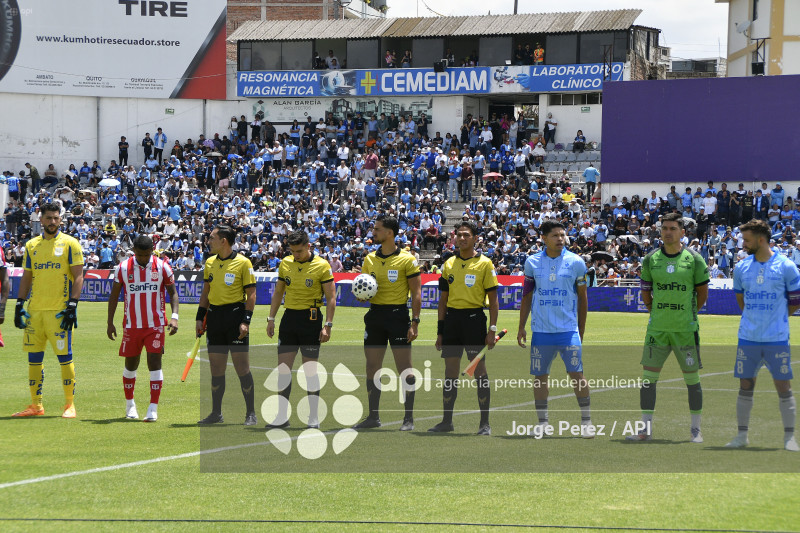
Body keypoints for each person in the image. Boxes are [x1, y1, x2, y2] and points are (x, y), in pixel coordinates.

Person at [627, 212, 709, 442]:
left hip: (685, 329)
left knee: (692, 380)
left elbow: (702, 293)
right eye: (664, 228)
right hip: (658, 330)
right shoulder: (650, 259)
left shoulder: (694, 259)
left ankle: (695, 430)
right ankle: (645, 430)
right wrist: (655, 310)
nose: (668, 232)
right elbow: (645, 290)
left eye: (673, 228)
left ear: (682, 232)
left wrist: (689, 313)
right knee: (647, 379)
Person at [726, 219, 799, 451]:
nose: (743, 244)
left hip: (776, 338)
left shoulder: (786, 266)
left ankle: (789, 438)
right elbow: (741, 301)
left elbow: (796, 301)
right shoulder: (742, 267)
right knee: (745, 385)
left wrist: (777, 319)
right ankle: (741, 436)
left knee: (783, 386)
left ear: (760, 239)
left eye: (746, 240)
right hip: (748, 338)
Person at [517, 220, 594, 437]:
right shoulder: (532, 263)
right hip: (541, 331)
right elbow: (527, 296)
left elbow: (583, 298)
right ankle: (543, 423)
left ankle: (586, 422)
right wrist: (521, 326)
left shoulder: (577, 262)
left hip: (568, 331)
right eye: (555, 236)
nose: (560, 239)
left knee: (577, 374)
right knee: (540, 376)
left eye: (563, 235)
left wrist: (581, 329)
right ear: (543, 238)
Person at [12, 203, 84, 419]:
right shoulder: (31, 245)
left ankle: (69, 405)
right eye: (49, 218)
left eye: (56, 218)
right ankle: (36, 405)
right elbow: (27, 276)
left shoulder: (71, 244)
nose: (53, 222)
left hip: (59, 312)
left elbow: (79, 276)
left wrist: (72, 304)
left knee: (65, 358)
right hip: (35, 312)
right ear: (40, 219)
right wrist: (19, 304)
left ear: (60, 220)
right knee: (33, 359)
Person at [354, 214, 422, 431]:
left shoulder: (407, 259)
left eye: (377, 229)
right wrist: (361, 295)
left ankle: (408, 418)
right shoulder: (369, 259)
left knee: (405, 368)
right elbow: (364, 288)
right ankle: (373, 417)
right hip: (375, 316)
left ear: (389, 233)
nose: (373, 232)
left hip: (398, 316)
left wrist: (415, 322)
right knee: (372, 367)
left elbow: (416, 292)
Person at [430, 221, 499, 435]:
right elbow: (443, 300)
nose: (462, 238)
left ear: (475, 238)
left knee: (479, 372)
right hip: (452, 322)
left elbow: (494, 300)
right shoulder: (448, 264)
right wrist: (440, 332)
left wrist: (492, 329)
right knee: (450, 371)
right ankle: (446, 422)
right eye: (459, 235)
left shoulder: (485, 264)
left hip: (474, 321)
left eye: (466, 235)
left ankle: (484, 424)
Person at [265, 230, 336, 429]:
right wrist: (271, 318)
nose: (296, 255)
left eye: (300, 251)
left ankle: (313, 417)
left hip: (311, 320)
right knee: (283, 371)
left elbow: (331, 298)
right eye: (293, 251)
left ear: (308, 246)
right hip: (289, 319)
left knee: (310, 372)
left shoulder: (322, 265)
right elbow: (279, 292)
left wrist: (327, 325)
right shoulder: (285, 264)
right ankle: (281, 417)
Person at [107, 235, 179, 422]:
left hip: (155, 325)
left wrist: (174, 317)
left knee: (155, 364)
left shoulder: (162, 266)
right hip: (132, 326)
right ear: (134, 252)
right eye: (140, 255)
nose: (143, 259)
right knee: (131, 366)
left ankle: (153, 409)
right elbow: (114, 296)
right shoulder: (123, 268)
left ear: (151, 251)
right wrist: (110, 322)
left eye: (146, 255)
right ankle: (130, 405)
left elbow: (173, 293)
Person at [195, 225, 257, 426]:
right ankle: (216, 413)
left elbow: (252, 294)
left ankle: (250, 413)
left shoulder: (243, 263)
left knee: (241, 367)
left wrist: (245, 321)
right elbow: (206, 293)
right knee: (216, 368)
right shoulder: (210, 262)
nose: (208, 241)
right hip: (214, 319)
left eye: (212, 238)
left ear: (224, 241)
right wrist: (199, 318)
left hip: (235, 317)